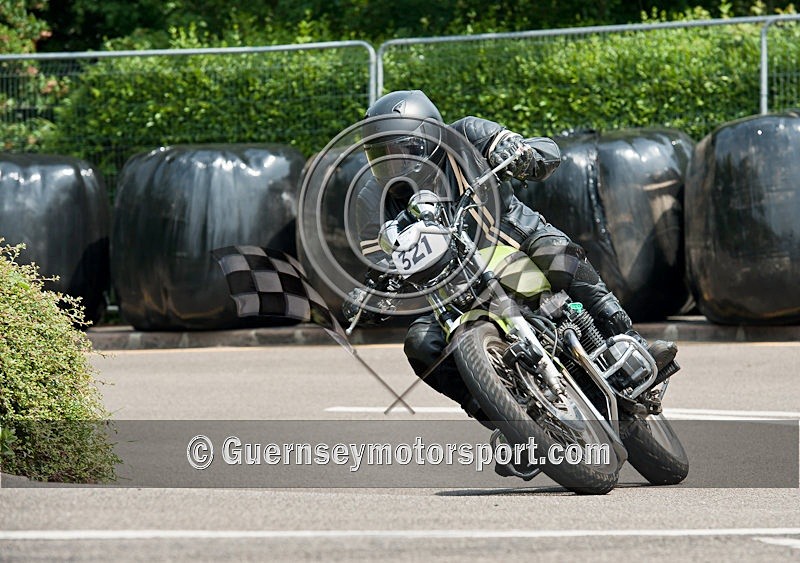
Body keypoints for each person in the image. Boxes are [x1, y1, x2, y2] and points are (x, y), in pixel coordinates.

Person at [343, 90, 678, 464]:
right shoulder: (372, 197)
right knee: (421, 344)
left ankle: (628, 339)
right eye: (380, 154)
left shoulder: (466, 135)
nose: (392, 163)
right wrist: (369, 293)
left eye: (400, 150)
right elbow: (379, 259)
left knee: (558, 256)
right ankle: (512, 424)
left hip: (515, 238)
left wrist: (521, 153)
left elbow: (536, 152)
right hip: (450, 289)